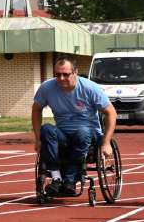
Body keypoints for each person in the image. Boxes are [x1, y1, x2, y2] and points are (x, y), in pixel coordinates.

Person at [31, 57, 116, 197]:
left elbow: (111, 112)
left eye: (66, 74)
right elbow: (36, 109)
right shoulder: (47, 88)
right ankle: (57, 177)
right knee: (46, 129)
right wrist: (37, 138)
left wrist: (106, 142)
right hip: (63, 134)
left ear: (75, 72)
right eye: (57, 74)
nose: (61, 78)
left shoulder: (90, 88)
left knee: (82, 132)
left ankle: (70, 180)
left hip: (89, 133)